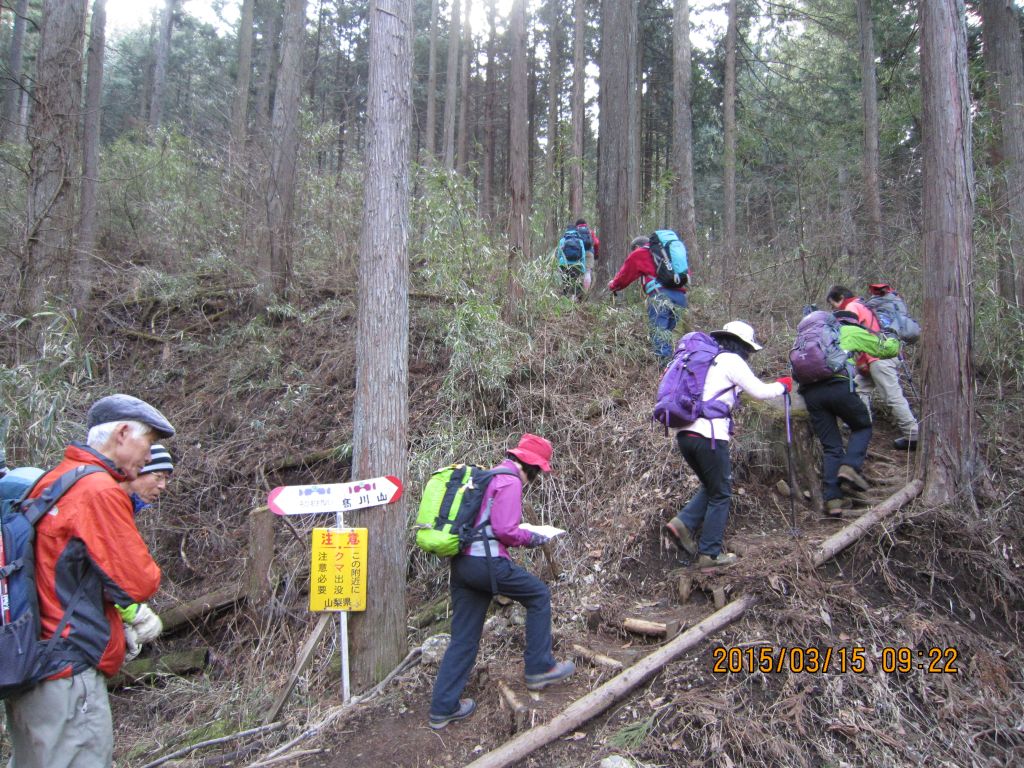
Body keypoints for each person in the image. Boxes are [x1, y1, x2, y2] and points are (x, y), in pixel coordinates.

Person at [4, 394, 175, 768]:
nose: (148, 458)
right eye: (148, 447)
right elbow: (139, 582)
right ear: (124, 432)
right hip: (67, 673)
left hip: (31, 662)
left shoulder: (55, 479)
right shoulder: (98, 491)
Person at [428, 434, 575, 730]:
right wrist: (533, 537)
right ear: (531, 466)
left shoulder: (488, 476)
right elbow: (505, 530)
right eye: (538, 471)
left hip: (463, 565)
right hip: (487, 564)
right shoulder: (510, 481)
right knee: (538, 595)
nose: (536, 478)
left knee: (464, 637)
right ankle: (540, 667)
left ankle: (443, 708)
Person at [663, 322, 790, 568]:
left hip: (684, 435)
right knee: (721, 493)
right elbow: (760, 392)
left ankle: (682, 524)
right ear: (743, 346)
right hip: (709, 436)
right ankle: (710, 554)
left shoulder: (705, 360)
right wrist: (783, 385)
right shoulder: (732, 361)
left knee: (712, 486)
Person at [800, 311, 901, 515]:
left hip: (810, 393)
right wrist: (893, 338)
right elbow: (886, 350)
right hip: (838, 387)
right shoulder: (850, 331)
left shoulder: (810, 337)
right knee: (862, 425)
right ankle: (850, 467)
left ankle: (833, 500)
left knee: (831, 446)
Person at [826, 285, 920, 450]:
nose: (833, 307)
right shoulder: (863, 305)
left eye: (832, 303)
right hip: (875, 357)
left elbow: (850, 334)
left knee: (892, 396)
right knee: (859, 388)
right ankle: (863, 426)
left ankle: (913, 434)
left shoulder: (852, 307)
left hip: (878, 358)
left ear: (840, 298)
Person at [608, 235, 689, 367]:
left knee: (659, 335)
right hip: (680, 297)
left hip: (660, 296)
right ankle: (680, 367)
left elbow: (624, 276)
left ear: (637, 247)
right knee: (672, 335)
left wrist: (612, 285)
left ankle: (664, 371)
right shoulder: (669, 253)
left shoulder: (640, 253)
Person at [122, 443, 174, 516]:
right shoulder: (109, 503)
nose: (162, 486)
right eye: (158, 476)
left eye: (166, 478)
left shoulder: (129, 511)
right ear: (135, 473)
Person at [555, 219, 596, 298]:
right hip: (577, 263)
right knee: (577, 280)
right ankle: (580, 296)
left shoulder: (563, 240)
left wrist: (558, 264)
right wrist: (582, 267)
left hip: (564, 264)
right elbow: (583, 254)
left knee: (566, 280)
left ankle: (566, 297)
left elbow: (559, 253)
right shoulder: (580, 239)